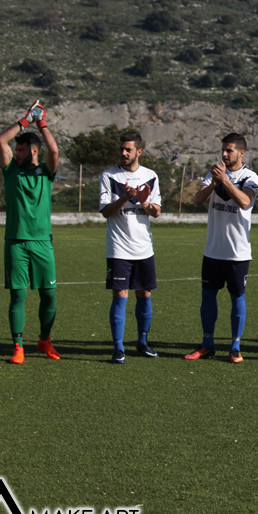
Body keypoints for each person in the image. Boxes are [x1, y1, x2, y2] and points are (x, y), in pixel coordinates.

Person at [185, 133, 258, 363]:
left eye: (229, 150)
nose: (225, 154)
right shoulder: (213, 174)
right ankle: (207, 344)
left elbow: (245, 202)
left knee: (237, 298)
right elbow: (197, 200)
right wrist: (213, 183)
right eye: (223, 150)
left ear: (241, 153)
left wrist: (225, 180)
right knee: (208, 297)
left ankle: (235, 346)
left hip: (237, 252)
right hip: (213, 250)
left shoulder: (250, 177)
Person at [0, 102, 62, 364]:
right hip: (16, 243)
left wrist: (41, 122)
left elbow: (54, 150)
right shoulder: (11, 171)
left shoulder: (46, 172)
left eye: (21, 150)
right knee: (18, 296)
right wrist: (25, 120)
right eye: (16, 150)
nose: (17, 153)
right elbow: (1, 141)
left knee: (49, 295)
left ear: (34, 151)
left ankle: (44, 340)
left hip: (43, 242)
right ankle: (18, 347)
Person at [99, 131, 162, 364]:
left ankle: (143, 342)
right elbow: (106, 212)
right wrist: (125, 197)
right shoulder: (109, 176)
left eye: (128, 149)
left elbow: (156, 212)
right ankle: (118, 348)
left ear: (139, 151)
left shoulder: (150, 176)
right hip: (119, 249)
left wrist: (144, 201)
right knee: (120, 296)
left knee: (145, 295)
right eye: (122, 149)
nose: (124, 153)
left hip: (144, 248)